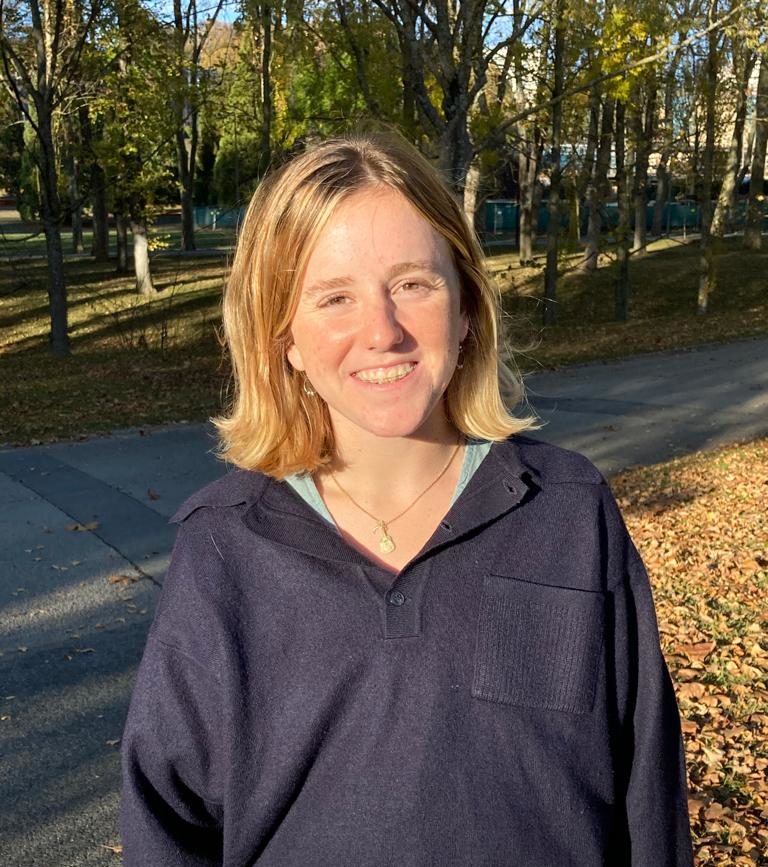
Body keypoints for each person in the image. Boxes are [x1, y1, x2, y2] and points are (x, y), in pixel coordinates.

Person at [120, 131, 694, 866]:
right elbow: (167, 824)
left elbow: (646, 789)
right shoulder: (223, 546)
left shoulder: (567, 511)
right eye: (334, 297)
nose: (382, 332)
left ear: (466, 307)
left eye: (413, 284)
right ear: (285, 338)